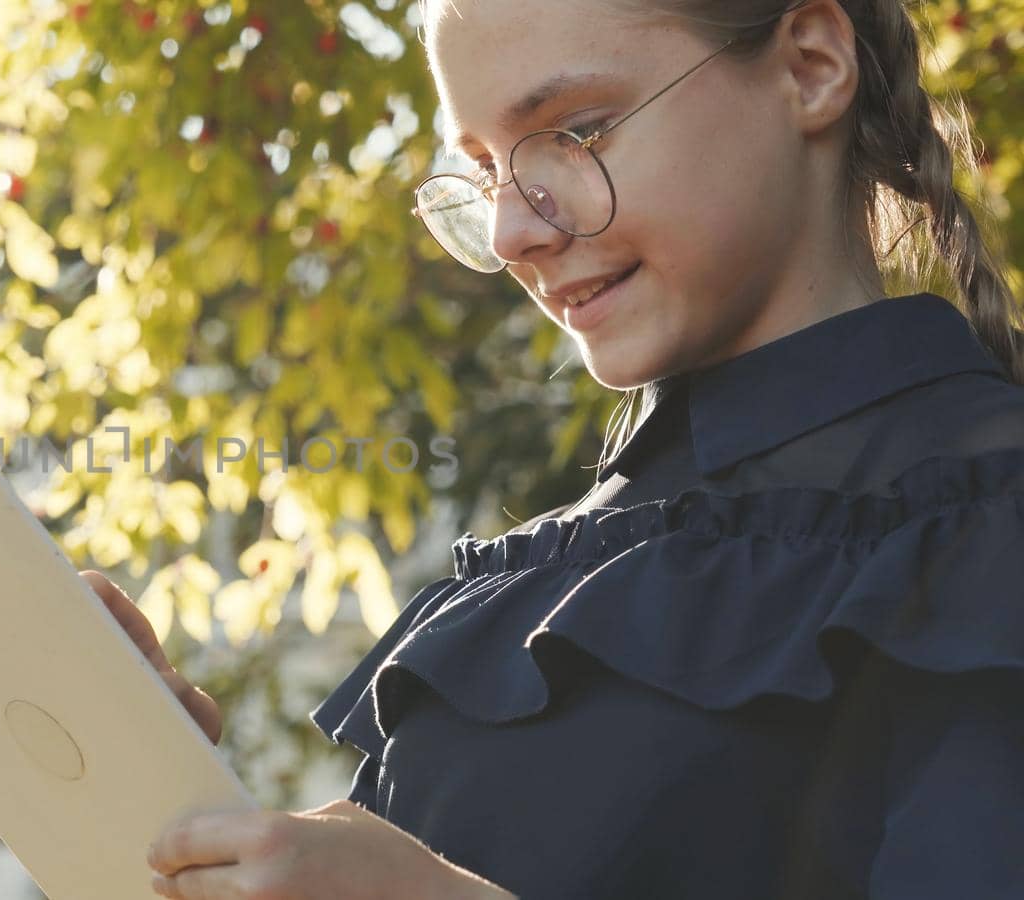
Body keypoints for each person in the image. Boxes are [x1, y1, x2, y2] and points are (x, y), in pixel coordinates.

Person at [86, 0, 1024, 896]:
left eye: (577, 133)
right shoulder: (524, 582)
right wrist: (188, 826)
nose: (513, 232)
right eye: (488, 171)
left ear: (812, 66)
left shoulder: (985, 525)